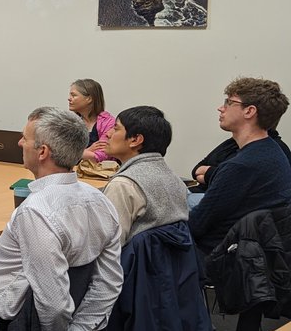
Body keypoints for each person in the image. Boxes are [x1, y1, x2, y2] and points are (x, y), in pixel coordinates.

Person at [0, 107, 122, 331]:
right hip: (55, 323)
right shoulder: (101, 202)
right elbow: (108, 283)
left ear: (42, 152)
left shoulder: (36, 212)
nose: (19, 143)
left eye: (25, 138)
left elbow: (53, 303)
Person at [189, 78, 291, 256]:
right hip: (255, 251)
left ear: (250, 111)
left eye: (229, 102)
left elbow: (196, 225)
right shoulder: (273, 150)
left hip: (221, 256)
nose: (221, 108)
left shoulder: (241, 166)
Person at [101, 106, 189, 244]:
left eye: (116, 128)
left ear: (136, 140)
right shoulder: (177, 181)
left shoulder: (123, 185)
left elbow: (110, 246)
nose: (108, 133)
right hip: (169, 264)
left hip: (131, 264)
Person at [68, 78, 114, 163]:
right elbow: (59, 154)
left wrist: (75, 154)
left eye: (73, 95)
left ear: (89, 99)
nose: (69, 99)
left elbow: (103, 154)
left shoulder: (108, 122)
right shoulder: (70, 123)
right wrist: (88, 150)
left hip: (99, 174)